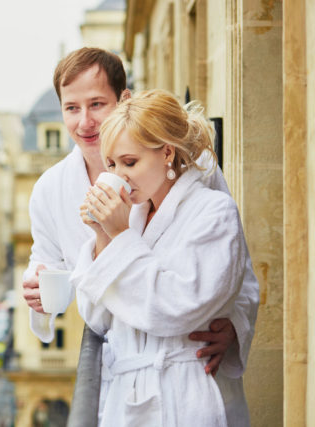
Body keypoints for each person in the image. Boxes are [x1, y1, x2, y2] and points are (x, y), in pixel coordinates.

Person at [21, 48, 258, 425]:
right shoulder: (52, 189)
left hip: (189, 375)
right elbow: (56, 270)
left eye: (97, 104)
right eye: (71, 108)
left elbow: (233, 264)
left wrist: (236, 324)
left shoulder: (199, 177)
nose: (85, 122)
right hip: (125, 377)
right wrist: (40, 284)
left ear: (123, 100)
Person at [72, 89, 254, 425]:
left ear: (166, 153)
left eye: (130, 162)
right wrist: (102, 235)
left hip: (183, 396)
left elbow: (175, 306)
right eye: (111, 164)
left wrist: (121, 237)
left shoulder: (213, 213)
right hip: (126, 399)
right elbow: (98, 319)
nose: (119, 174)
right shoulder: (134, 217)